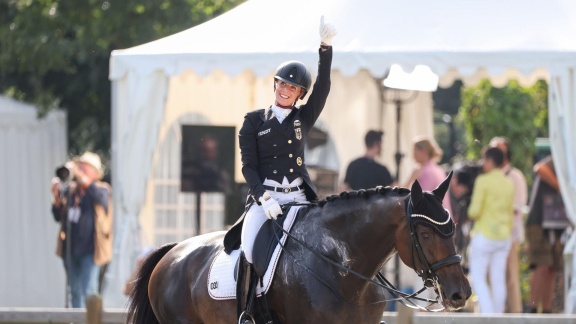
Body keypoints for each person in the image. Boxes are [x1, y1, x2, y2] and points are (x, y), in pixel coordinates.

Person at [222, 16, 336, 321]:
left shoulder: (303, 118)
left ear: (300, 94)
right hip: (266, 199)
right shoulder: (253, 121)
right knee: (249, 250)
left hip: (299, 199)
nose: (286, 90)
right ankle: (248, 313)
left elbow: (323, 88)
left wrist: (326, 49)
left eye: (293, 87)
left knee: (324, 246)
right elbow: (248, 166)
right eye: (283, 84)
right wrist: (263, 197)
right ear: (275, 85)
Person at [51, 152, 113, 308]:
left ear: (94, 172)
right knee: (75, 292)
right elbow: (58, 216)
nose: (80, 170)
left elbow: (99, 197)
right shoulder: (71, 191)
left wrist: (79, 175)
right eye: (79, 167)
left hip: (91, 251)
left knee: (89, 290)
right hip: (70, 250)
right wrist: (56, 197)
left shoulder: (102, 189)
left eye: (84, 167)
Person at [467, 146, 514, 314]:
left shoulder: (483, 181)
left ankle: (488, 315)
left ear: (489, 160)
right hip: (503, 236)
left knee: (478, 277)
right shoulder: (509, 183)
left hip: (484, 235)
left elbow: (474, 211)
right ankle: (498, 315)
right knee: (498, 279)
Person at [489, 136, 527, 313]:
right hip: (489, 235)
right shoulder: (486, 176)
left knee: (511, 278)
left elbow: (517, 206)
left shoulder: (515, 176)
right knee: (489, 277)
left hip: (509, 235)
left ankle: (515, 315)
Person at [526, 155, 569, 313]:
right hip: (539, 221)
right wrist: (560, 187)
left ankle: (546, 311)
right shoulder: (562, 156)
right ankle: (531, 309)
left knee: (553, 267)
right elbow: (540, 168)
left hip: (558, 223)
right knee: (542, 265)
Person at [403, 136, 452, 217]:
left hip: (432, 222)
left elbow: (417, 201)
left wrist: (410, 179)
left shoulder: (424, 172)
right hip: (444, 219)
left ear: (423, 151)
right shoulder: (439, 169)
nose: (413, 155)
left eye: (415, 151)